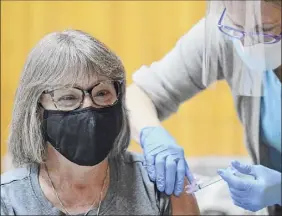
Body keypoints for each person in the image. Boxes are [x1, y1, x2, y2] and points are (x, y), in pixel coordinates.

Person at [0, 30, 200, 215]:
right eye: (68, 97)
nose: (88, 107)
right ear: (36, 110)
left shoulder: (160, 184)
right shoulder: (8, 200)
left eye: (102, 93)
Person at [126, 0, 281, 214]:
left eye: (264, 31)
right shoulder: (223, 35)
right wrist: (151, 134)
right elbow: (138, 95)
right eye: (237, 27)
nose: (247, 45)